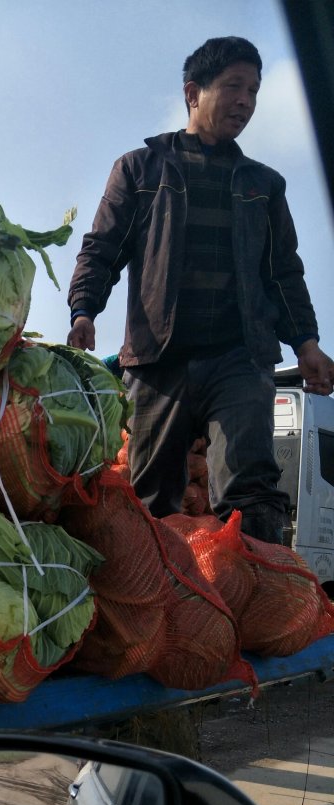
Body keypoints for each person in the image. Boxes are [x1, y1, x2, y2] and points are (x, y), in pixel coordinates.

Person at [67, 36, 334, 544]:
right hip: (157, 359)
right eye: (234, 87)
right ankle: (160, 607)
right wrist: (85, 309)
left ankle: (258, 602)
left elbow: (284, 274)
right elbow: (102, 247)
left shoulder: (264, 185)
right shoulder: (139, 169)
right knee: (150, 499)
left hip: (238, 357)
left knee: (249, 488)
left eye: (254, 91)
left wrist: (307, 343)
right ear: (193, 93)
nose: (246, 102)